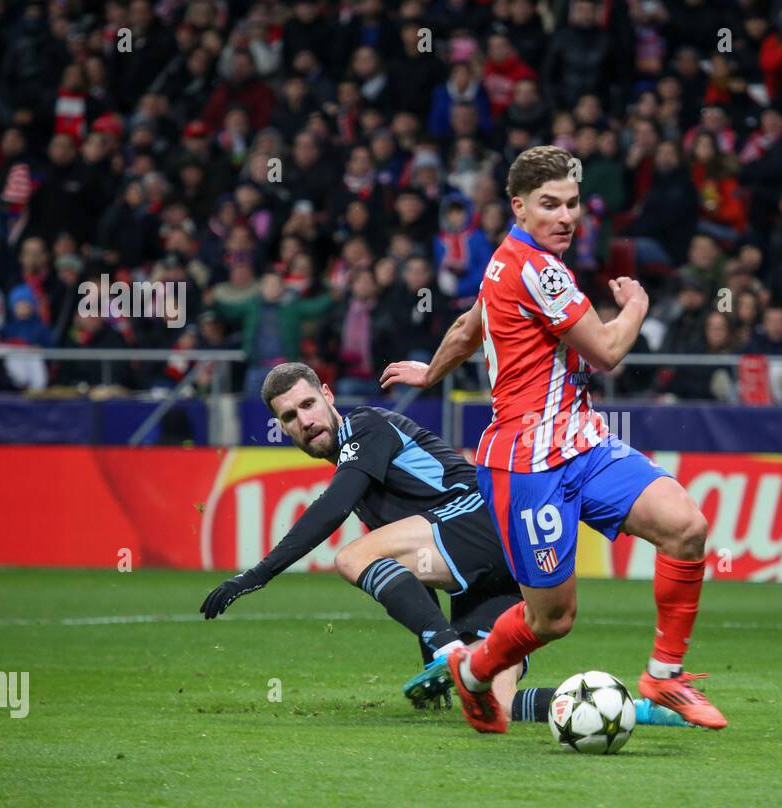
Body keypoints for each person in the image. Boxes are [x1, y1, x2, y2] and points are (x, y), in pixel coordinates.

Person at [382, 145, 726, 733]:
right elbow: (610, 351)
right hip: (526, 466)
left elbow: (470, 328)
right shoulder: (536, 271)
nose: (565, 217)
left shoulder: (506, 261)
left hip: (585, 445)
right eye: (549, 205)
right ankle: (472, 673)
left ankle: (664, 676)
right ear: (518, 206)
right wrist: (638, 305)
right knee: (552, 620)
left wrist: (430, 371)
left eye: (572, 204)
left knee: (686, 526)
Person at [198, 362, 689, 728]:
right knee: (489, 698)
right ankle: (635, 710)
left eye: (307, 405)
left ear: (328, 395)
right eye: (289, 417)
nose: (303, 421)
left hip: (478, 518)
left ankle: (448, 649)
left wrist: (255, 574)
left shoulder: (365, 428)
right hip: (491, 557)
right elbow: (415, 572)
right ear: (282, 429)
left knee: (352, 555)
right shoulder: (360, 464)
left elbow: (332, 509)